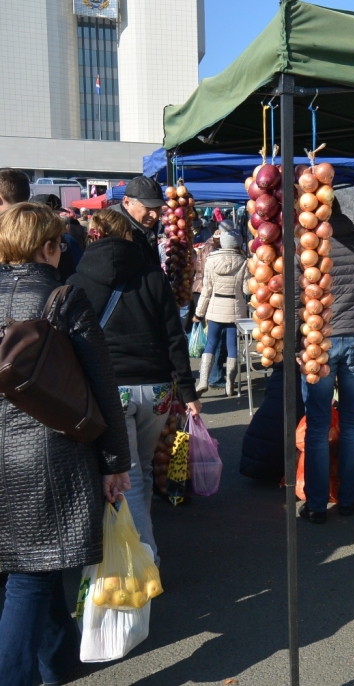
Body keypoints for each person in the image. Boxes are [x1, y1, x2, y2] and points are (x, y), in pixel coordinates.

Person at [0, 203, 131, 686]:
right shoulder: (63, 297)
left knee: (36, 566)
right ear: (48, 246)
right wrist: (116, 461)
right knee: (30, 579)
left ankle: (55, 667)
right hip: (49, 455)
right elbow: (101, 384)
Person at [68, 209, 201, 565]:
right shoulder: (152, 277)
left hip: (111, 390)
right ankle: (141, 550)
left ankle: (144, 557)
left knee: (126, 475)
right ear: (128, 236)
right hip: (156, 389)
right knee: (140, 470)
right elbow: (175, 338)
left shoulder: (79, 279)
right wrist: (188, 392)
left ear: (93, 235)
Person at [299, 202, 354, 523]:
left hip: (318, 341)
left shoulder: (307, 245)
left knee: (318, 425)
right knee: (352, 423)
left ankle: (317, 505)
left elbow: (295, 297)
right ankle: (349, 500)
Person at [194, 230, 248, 396]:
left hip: (215, 306)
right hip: (235, 308)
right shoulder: (244, 261)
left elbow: (206, 290)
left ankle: (203, 381)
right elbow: (246, 288)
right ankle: (230, 384)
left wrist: (199, 313)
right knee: (232, 346)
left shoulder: (211, 260)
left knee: (211, 343)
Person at [111, 176, 164, 266]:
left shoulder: (147, 229)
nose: (155, 215)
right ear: (127, 202)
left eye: (158, 208)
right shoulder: (113, 233)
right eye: (148, 208)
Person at [29, 194, 83, 282]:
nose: (55, 219)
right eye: (52, 215)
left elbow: (78, 271)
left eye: (57, 214)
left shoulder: (66, 240)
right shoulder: (66, 240)